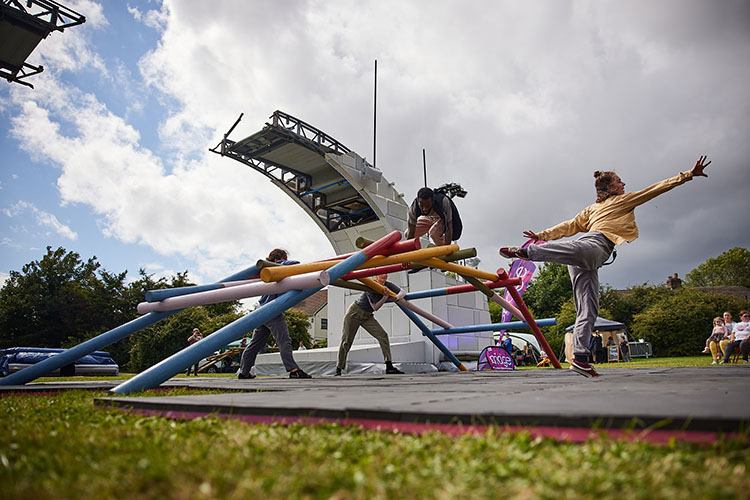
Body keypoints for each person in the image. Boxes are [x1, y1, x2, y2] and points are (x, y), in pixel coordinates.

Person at [499, 155, 711, 378]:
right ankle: (527, 253)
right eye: (620, 182)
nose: (624, 185)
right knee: (579, 250)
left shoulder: (592, 209)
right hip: (595, 245)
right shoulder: (615, 202)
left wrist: (542, 235)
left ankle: (580, 357)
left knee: (588, 309)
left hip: (587, 259)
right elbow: (654, 190)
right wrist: (687, 175)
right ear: (610, 187)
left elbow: (569, 225)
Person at [238, 249, 312, 379]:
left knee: (255, 344)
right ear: (278, 260)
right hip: (272, 310)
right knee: (284, 341)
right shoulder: (276, 270)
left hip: (261, 311)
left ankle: (244, 372)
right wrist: (281, 263)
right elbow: (297, 264)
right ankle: (293, 370)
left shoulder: (268, 274)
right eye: (283, 259)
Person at [336, 273, 406, 376]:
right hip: (355, 313)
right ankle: (338, 368)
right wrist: (385, 296)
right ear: (376, 277)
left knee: (383, 336)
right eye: (381, 274)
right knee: (346, 341)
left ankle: (389, 366)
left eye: (385, 274)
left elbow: (402, 292)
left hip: (367, 316)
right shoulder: (371, 285)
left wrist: (396, 297)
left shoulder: (388, 285)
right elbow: (375, 307)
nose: (384, 276)